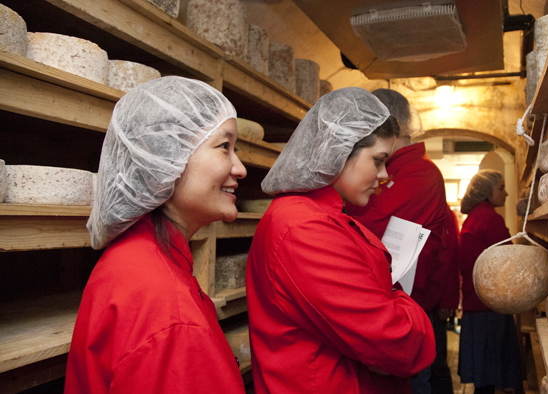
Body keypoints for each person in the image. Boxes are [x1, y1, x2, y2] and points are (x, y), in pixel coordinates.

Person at [246, 87, 436, 394]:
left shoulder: (322, 214)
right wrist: (403, 304)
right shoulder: (304, 227)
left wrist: (389, 301)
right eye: (378, 160)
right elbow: (398, 341)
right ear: (339, 149)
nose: (384, 174)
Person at [65, 76, 247, 393]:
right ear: (165, 158)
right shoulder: (168, 311)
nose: (240, 168)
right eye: (224, 147)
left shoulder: (135, 256)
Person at [345, 88, 459, 394]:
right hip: (392, 304)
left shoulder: (420, 173)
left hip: (410, 307)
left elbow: (370, 227)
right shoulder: (398, 170)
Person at [458, 170, 522, 394]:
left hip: (478, 304)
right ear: (487, 192)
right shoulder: (488, 219)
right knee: (488, 377)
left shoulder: (475, 217)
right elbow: (508, 260)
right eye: (501, 188)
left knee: (484, 378)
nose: (505, 193)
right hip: (488, 307)